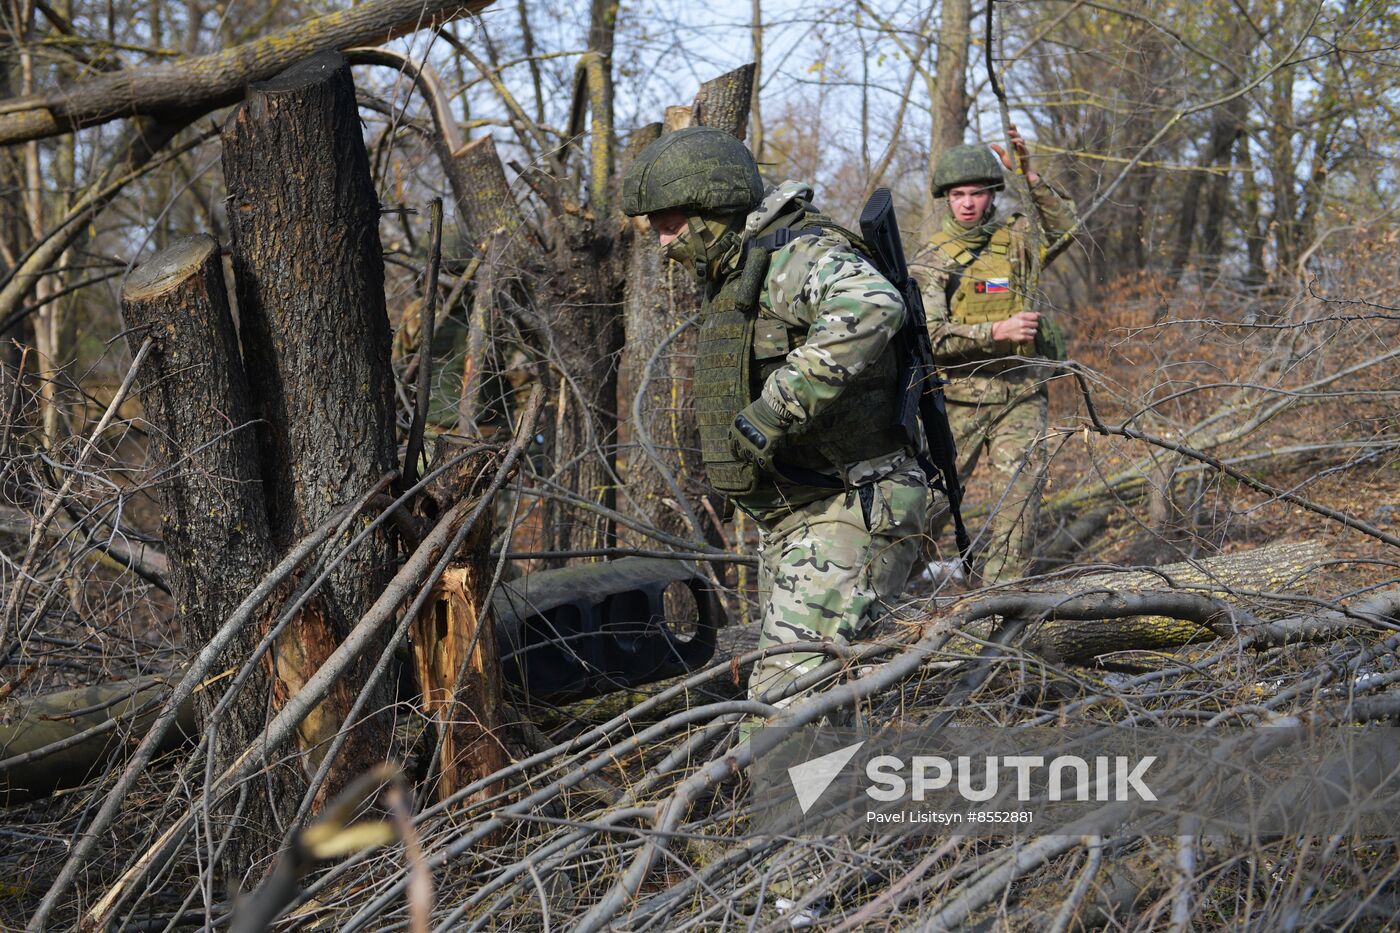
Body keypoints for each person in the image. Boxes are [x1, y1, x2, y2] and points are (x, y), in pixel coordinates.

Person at [621, 126, 942, 725]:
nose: (662, 243)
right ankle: (839, 809)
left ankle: (797, 819)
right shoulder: (745, 263)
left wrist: (778, 407)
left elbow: (872, 304)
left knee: (790, 711)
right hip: (804, 513)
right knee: (816, 698)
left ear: (711, 211)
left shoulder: (795, 255)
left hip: (850, 506)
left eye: (669, 224)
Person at [910, 127, 1077, 583]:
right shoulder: (932, 260)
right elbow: (932, 337)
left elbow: (1066, 227)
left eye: (977, 194)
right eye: (958, 194)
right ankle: (883, 591)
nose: (967, 203)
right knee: (932, 503)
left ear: (992, 196)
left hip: (1021, 392)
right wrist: (996, 330)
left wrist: (1029, 173)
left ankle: (1001, 606)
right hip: (959, 399)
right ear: (946, 198)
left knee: (1019, 504)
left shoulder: (1018, 241)